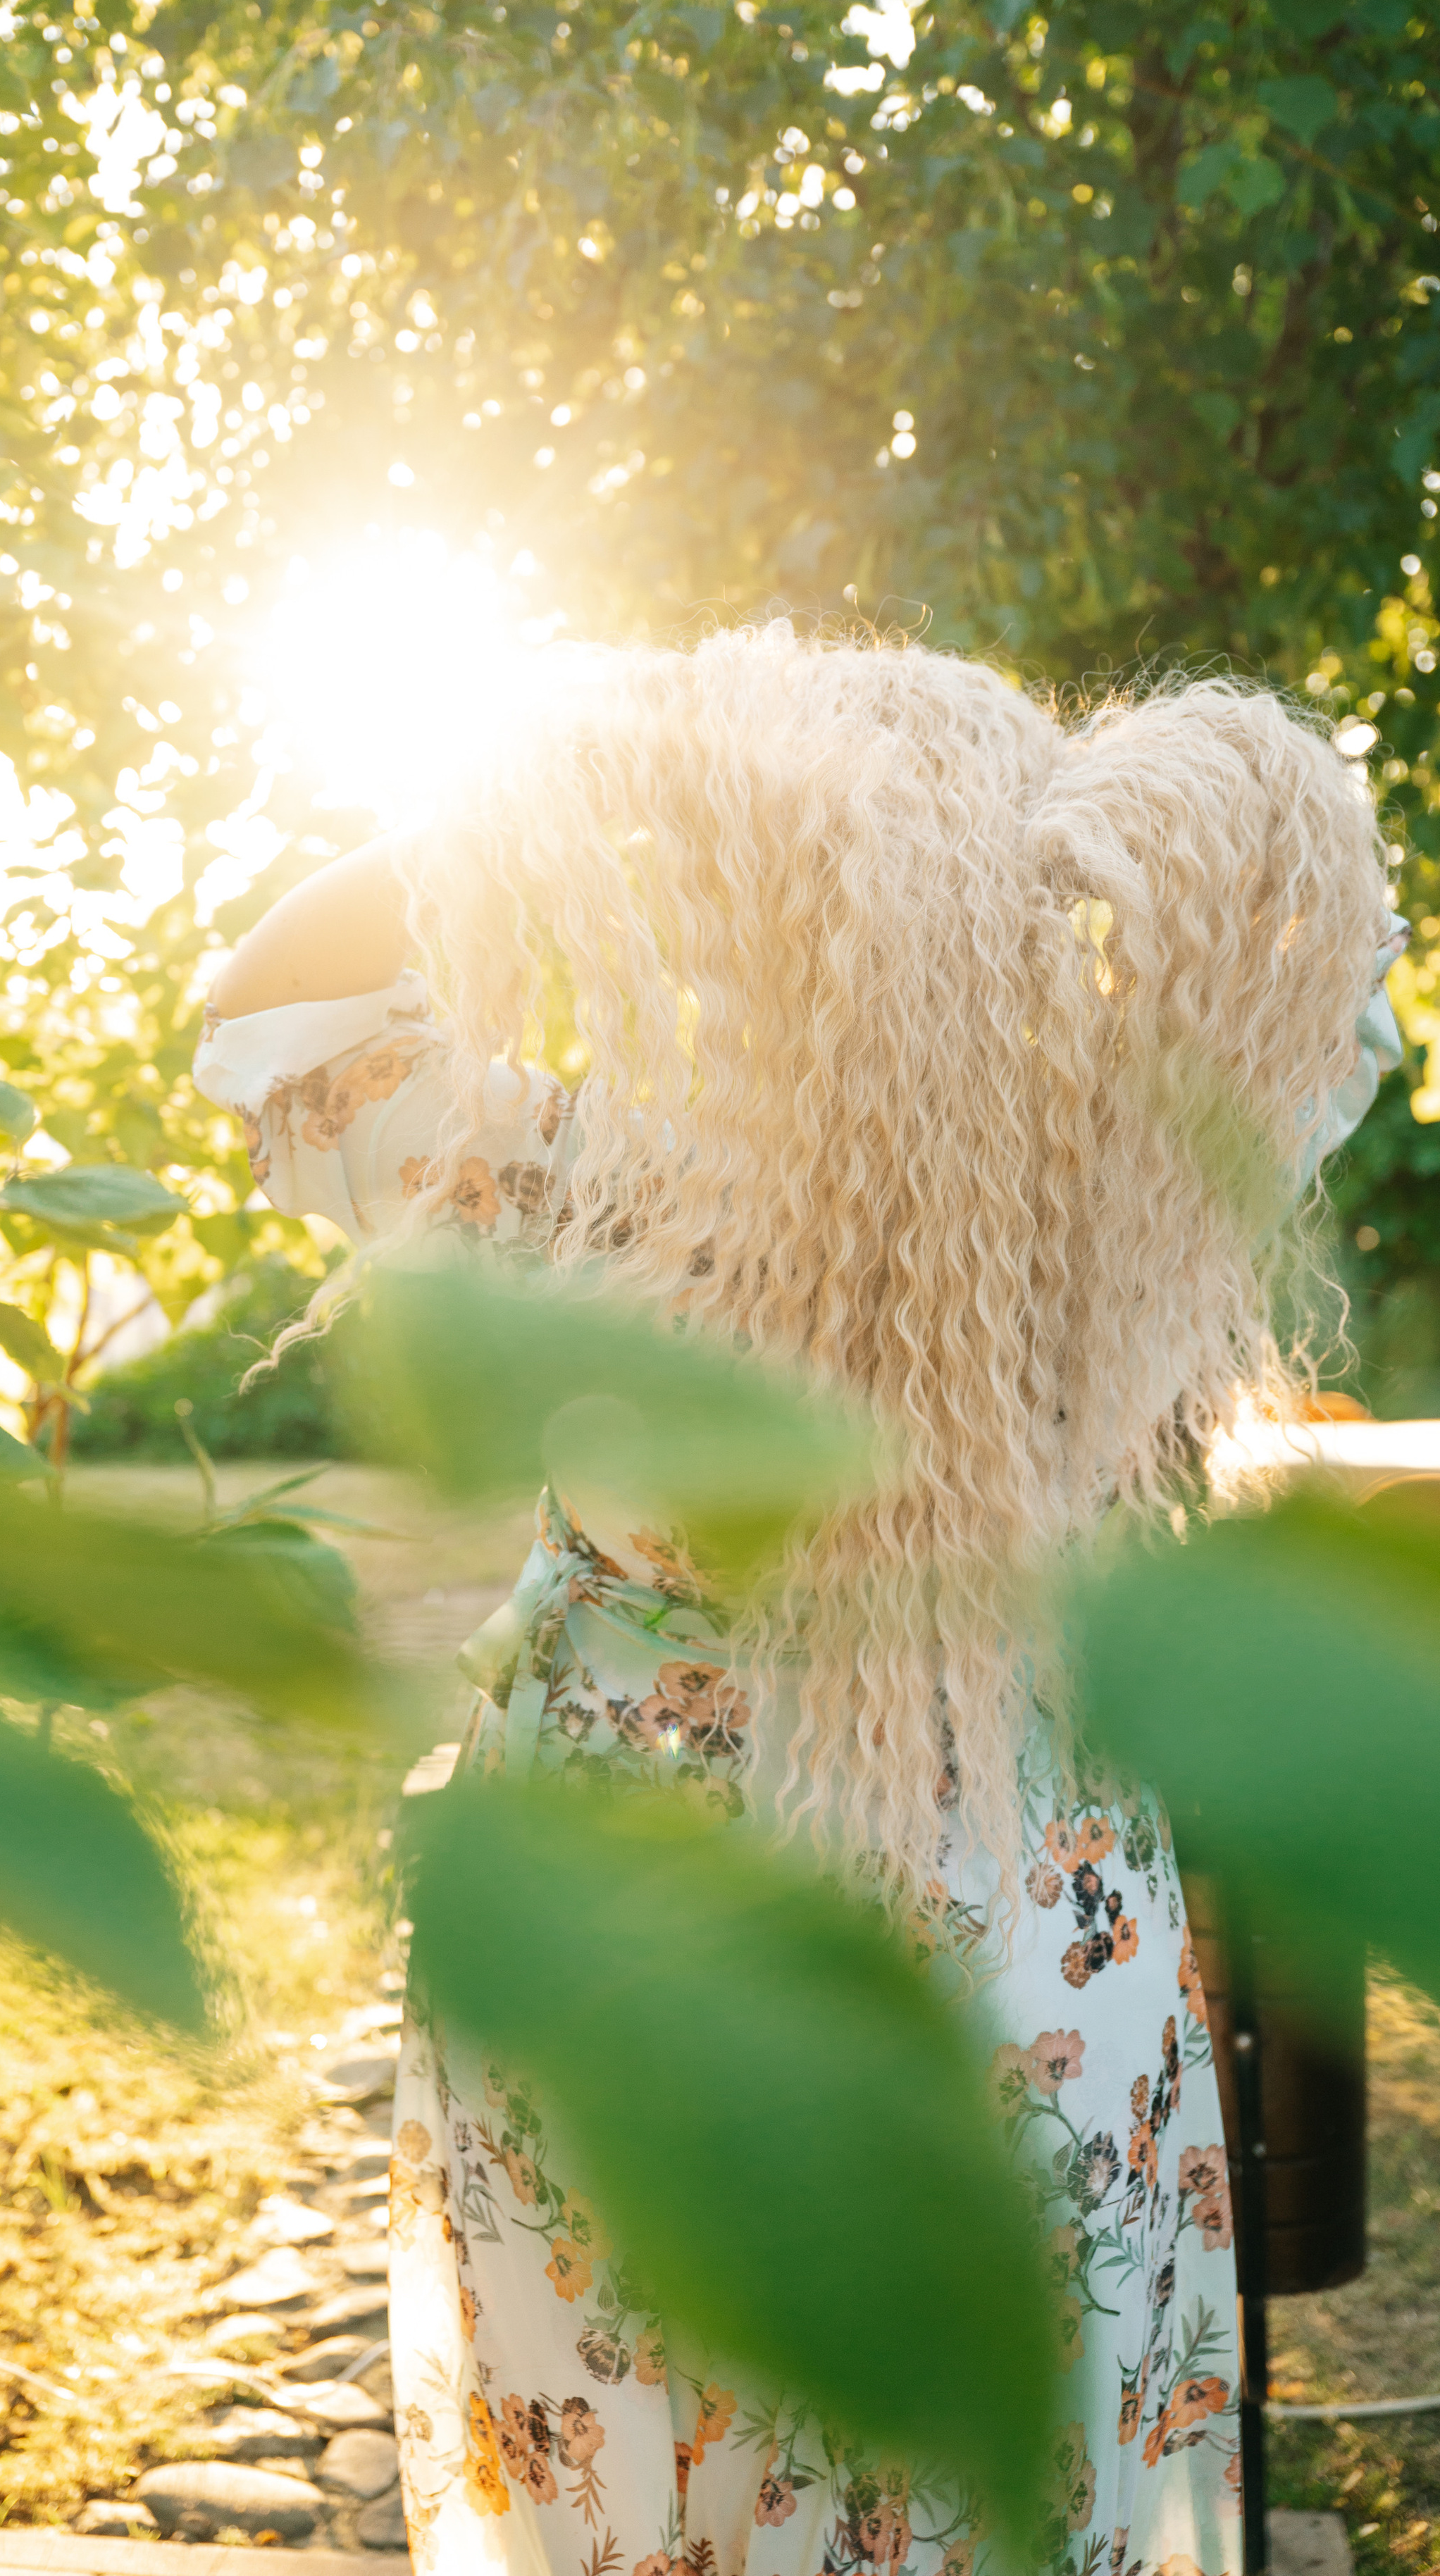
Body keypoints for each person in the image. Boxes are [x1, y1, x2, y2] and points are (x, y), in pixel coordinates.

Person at [194, 630, 1403, 2576]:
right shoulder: (1110, 1221)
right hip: (1031, 1961)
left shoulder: (571, 1186)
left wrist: (571, 775)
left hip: (640, 1954)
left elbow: (276, 1002)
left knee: (644, 2452)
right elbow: (1337, 1012)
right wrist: (1123, 821)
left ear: (730, 928)